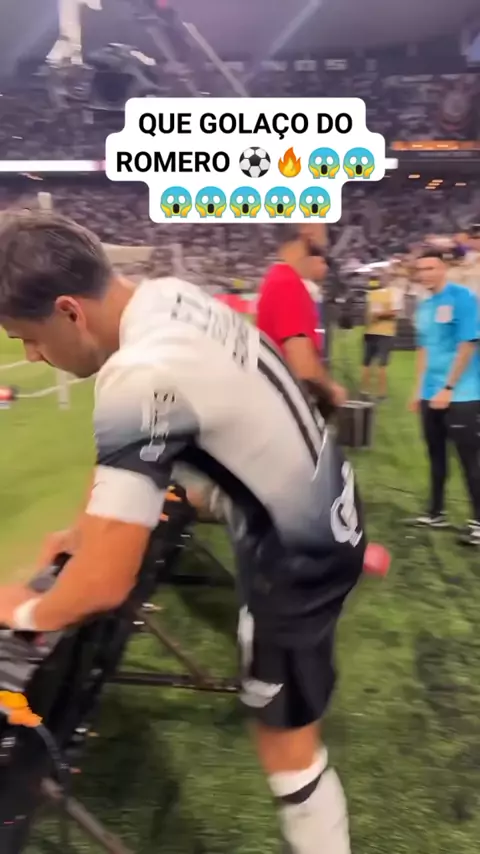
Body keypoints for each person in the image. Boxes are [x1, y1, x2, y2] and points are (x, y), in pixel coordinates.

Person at [0, 212, 366, 854]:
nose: (31, 355)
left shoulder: (140, 375)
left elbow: (103, 585)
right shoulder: (167, 296)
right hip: (323, 501)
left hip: (298, 556)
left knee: (287, 745)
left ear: (68, 311)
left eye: (28, 338)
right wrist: (84, 529)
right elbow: (135, 460)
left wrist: (25, 610)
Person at [409, 250, 480, 546]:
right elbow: (424, 349)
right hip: (431, 394)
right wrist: (419, 389)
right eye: (421, 269)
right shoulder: (424, 306)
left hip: (462, 394)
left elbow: (468, 344)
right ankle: (436, 512)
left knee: (470, 460)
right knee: (435, 455)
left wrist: (449, 387)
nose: (425, 274)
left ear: (444, 268)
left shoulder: (462, 297)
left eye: (431, 268)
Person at [257, 224, 346, 418]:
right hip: (286, 410)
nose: (327, 238)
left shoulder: (277, 277)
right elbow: (304, 368)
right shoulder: (288, 283)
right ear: (309, 231)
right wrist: (331, 389)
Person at [360, 276, 400, 400]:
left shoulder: (373, 295)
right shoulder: (388, 294)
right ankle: (374, 392)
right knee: (373, 364)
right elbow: (393, 312)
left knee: (371, 364)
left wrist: (378, 315)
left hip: (377, 332)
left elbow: (391, 313)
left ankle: (371, 392)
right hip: (379, 333)